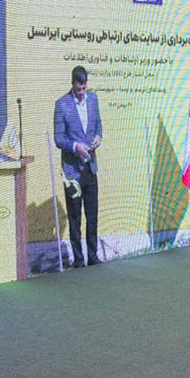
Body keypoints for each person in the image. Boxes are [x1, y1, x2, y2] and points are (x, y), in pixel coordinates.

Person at [54, 66, 103, 267]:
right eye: (78, 89)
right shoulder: (62, 104)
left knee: (92, 216)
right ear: (72, 84)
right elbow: (59, 138)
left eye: (84, 88)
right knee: (75, 218)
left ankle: (93, 257)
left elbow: (98, 125)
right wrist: (75, 147)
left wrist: (98, 137)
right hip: (72, 172)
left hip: (90, 169)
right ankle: (79, 260)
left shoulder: (93, 100)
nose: (82, 92)